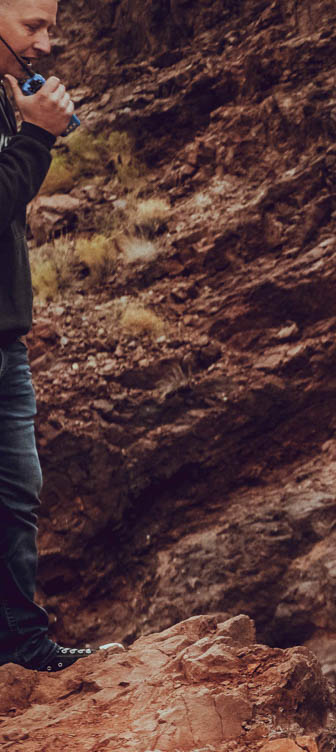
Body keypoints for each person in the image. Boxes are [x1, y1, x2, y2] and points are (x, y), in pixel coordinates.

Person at [0, 0, 107, 672]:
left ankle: (23, 648)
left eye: (50, 27)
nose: (45, 43)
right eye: (31, 27)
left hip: (5, 343)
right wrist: (37, 137)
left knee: (16, 494)